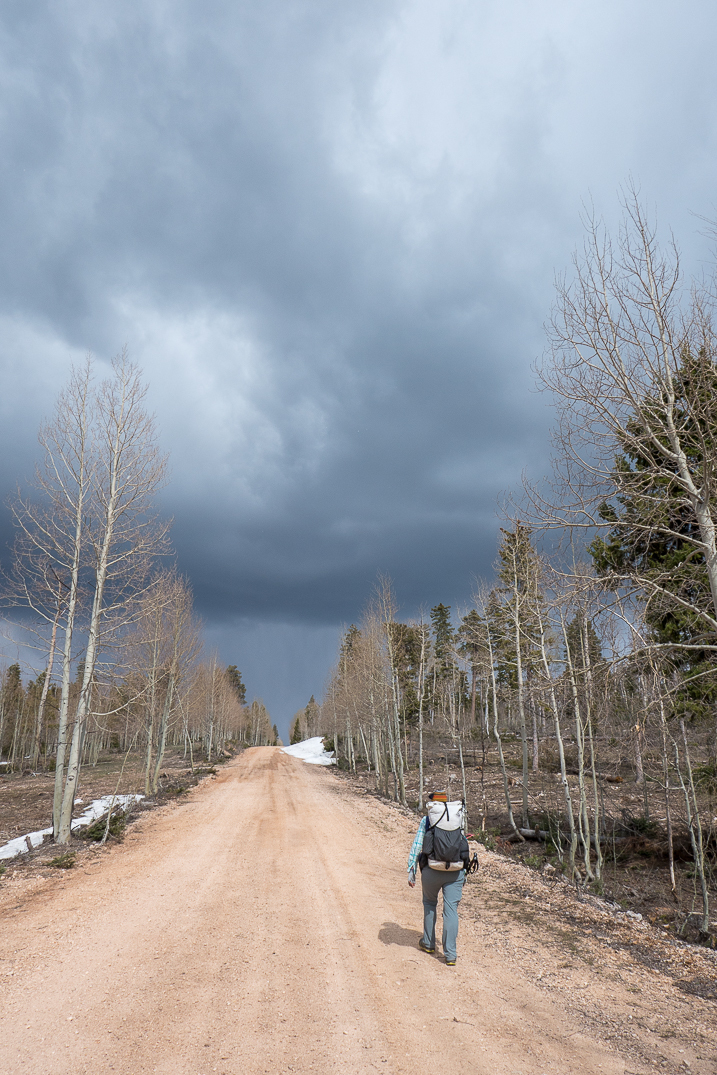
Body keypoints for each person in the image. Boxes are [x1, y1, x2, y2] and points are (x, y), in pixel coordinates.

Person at [407, 790, 469, 966]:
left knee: (429, 903)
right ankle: (450, 954)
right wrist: (464, 872)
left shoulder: (427, 820)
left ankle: (428, 943)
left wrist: (411, 869)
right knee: (451, 910)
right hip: (455, 870)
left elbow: (417, 845)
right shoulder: (457, 818)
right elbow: (463, 844)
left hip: (431, 869)